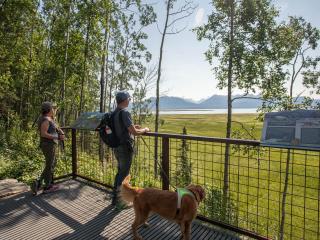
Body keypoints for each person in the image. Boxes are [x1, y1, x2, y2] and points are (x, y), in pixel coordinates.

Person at [111, 90, 150, 208]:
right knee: (124, 175)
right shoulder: (125, 113)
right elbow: (134, 132)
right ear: (124, 100)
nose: (129, 100)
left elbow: (123, 128)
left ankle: (115, 198)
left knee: (120, 173)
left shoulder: (114, 113)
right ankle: (120, 202)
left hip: (116, 147)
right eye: (129, 98)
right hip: (124, 148)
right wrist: (145, 130)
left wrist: (133, 126)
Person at [31, 101, 65, 195]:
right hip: (48, 145)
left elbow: (56, 127)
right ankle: (47, 186)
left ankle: (38, 183)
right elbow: (43, 133)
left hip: (50, 144)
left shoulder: (49, 118)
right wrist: (57, 137)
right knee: (50, 165)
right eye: (53, 108)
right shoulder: (45, 119)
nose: (54, 110)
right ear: (49, 110)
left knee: (51, 164)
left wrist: (61, 132)